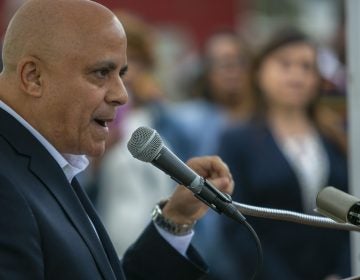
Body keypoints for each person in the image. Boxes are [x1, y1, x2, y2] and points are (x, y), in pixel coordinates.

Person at [0, 0, 234, 279]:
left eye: (121, 74)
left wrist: (176, 220)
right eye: (101, 73)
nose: (121, 95)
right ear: (33, 76)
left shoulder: (49, 158)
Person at [218, 28, 350, 280]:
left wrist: (343, 272)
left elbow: (351, 211)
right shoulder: (237, 140)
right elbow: (236, 226)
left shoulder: (335, 136)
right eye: (285, 64)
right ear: (259, 71)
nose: (297, 75)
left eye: (307, 66)